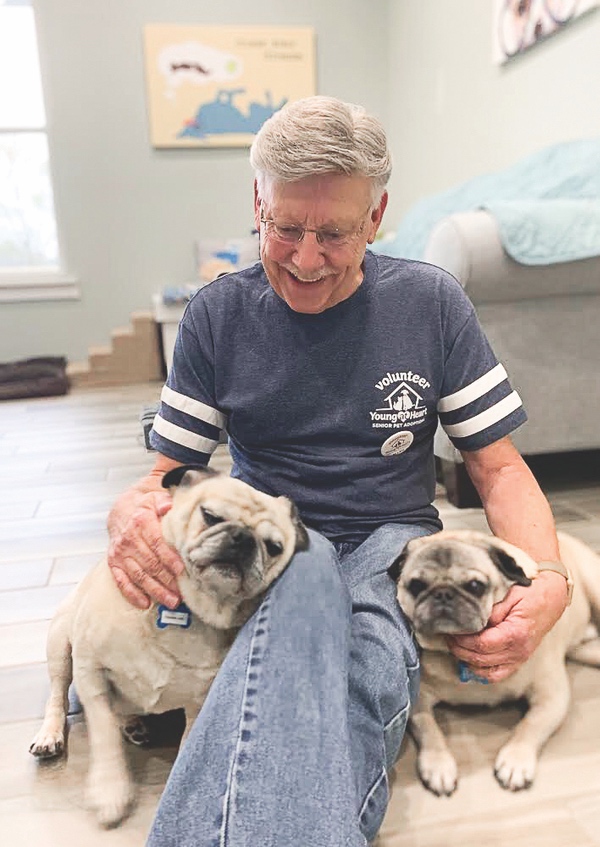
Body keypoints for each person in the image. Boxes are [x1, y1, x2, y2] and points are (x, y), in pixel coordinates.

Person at [107, 96, 569, 847]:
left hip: (397, 539)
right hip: (277, 536)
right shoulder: (217, 315)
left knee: (371, 660)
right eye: (284, 227)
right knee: (323, 606)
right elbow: (166, 474)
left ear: (378, 214)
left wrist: (548, 578)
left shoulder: (430, 304)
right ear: (256, 202)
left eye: (335, 232)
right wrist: (128, 511)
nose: (306, 257)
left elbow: (498, 467)